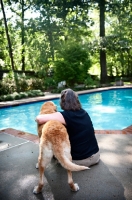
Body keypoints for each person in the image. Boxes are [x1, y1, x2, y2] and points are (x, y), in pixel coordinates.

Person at [35, 88, 100, 167]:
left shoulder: (64, 115)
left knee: (55, 151)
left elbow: (39, 119)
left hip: (81, 160)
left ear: (62, 102)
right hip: (96, 156)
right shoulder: (84, 112)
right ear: (77, 100)